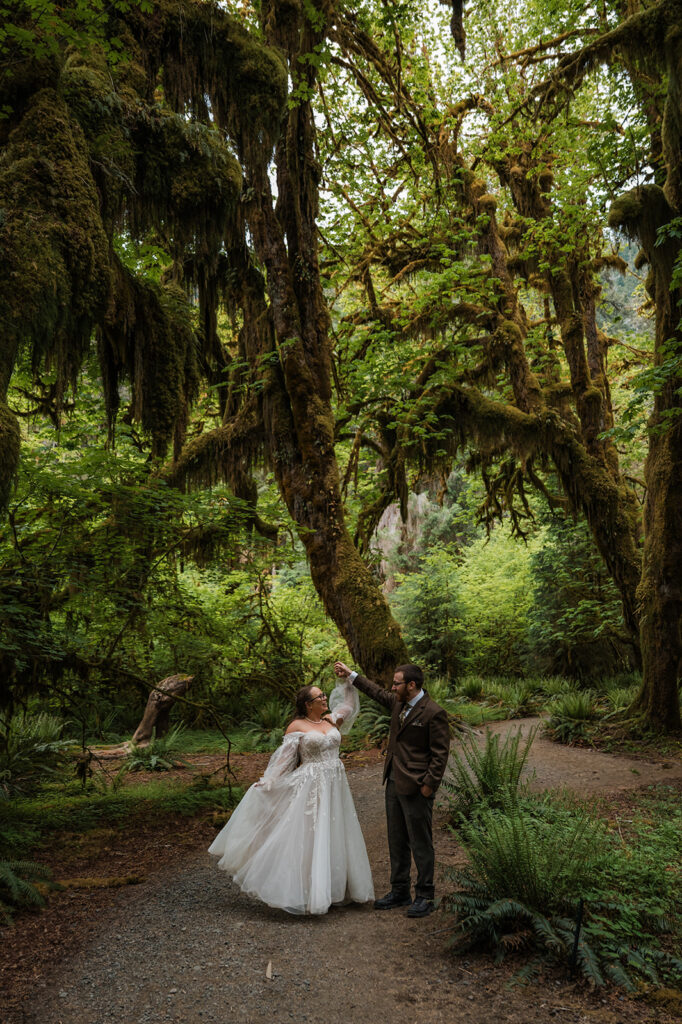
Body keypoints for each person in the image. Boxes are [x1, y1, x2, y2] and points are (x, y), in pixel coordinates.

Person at [208, 678, 374, 915]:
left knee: (336, 831)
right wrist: (269, 781)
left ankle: (338, 888)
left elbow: (349, 703)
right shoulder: (297, 727)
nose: (325, 699)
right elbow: (284, 760)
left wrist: (348, 679)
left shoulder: (330, 719)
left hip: (335, 785)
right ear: (308, 704)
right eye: (320, 697)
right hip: (311, 785)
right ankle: (309, 892)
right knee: (311, 835)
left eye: (325, 695)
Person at [334, 660, 450, 918]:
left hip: (418, 786)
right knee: (396, 838)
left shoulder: (433, 712)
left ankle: (425, 895)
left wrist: (428, 787)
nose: (392, 687)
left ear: (411, 685)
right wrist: (351, 675)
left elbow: (440, 755)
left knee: (420, 841)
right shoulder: (398, 702)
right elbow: (375, 692)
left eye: (397, 683)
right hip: (394, 780)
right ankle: (399, 891)